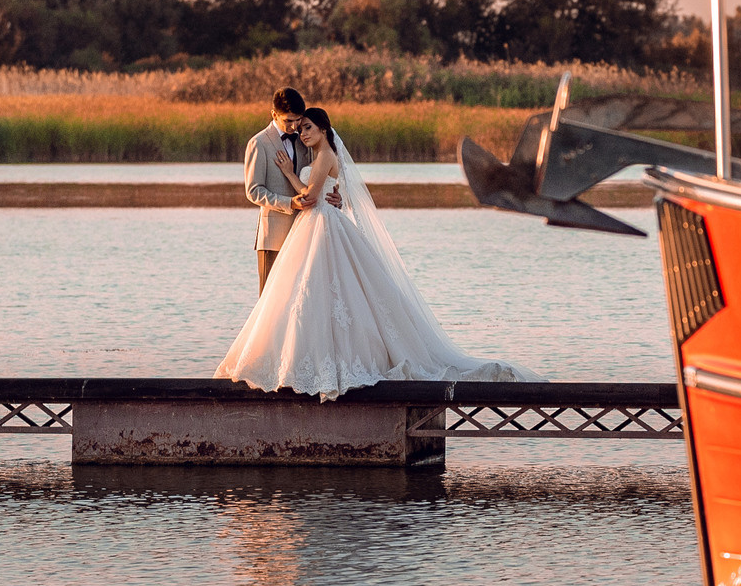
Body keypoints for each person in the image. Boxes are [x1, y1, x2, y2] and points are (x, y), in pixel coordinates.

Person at [218, 106, 537, 396]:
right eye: (300, 129)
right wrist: (326, 191)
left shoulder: (325, 154)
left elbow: (312, 196)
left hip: (321, 224)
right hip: (314, 226)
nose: (303, 133)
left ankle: (335, 361)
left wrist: (288, 173)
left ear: (324, 130)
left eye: (308, 128)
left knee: (327, 291)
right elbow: (331, 191)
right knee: (310, 294)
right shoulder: (317, 156)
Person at [243, 87, 321, 293]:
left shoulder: (306, 142)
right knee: (269, 300)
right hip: (273, 238)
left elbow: (315, 180)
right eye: (288, 121)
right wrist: (289, 203)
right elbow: (253, 191)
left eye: (298, 120)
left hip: (304, 234)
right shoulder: (258, 143)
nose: (294, 126)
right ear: (274, 115)